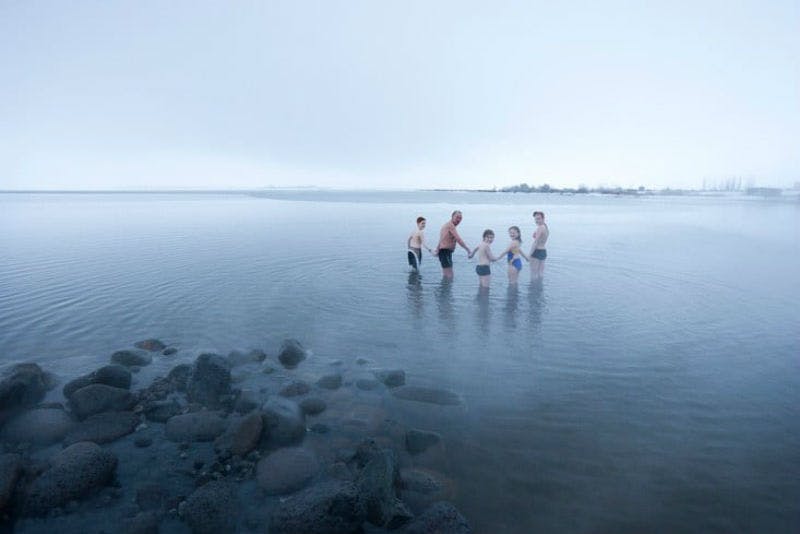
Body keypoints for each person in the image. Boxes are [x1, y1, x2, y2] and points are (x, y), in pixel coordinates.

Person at [434, 210, 470, 278]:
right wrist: (468, 249)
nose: (459, 220)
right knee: (450, 275)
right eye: (457, 217)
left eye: (460, 218)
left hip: (445, 252)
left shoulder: (448, 225)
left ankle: (445, 288)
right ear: (452, 216)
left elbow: (442, 238)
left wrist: (437, 249)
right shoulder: (450, 226)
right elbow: (458, 239)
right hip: (444, 252)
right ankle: (445, 288)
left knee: (446, 275)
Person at [530, 211, 549, 280]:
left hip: (537, 251)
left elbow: (535, 242)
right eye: (535, 219)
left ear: (543, 218)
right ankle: (540, 289)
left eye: (538, 219)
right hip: (543, 251)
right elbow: (541, 239)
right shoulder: (545, 227)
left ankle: (534, 289)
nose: (536, 221)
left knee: (533, 273)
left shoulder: (540, 228)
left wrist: (529, 254)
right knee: (540, 274)